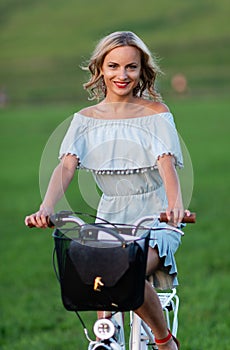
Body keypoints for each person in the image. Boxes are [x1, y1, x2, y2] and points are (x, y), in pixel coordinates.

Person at [25, 31, 190, 349]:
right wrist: (46, 207)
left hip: (155, 218)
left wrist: (175, 207)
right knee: (102, 275)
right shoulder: (84, 121)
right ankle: (107, 338)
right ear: (100, 68)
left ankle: (164, 340)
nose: (122, 74)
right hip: (110, 216)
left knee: (128, 270)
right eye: (113, 66)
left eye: (131, 67)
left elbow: (166, 164)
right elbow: (67, 167)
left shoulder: (156, 113)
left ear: (142, 70)